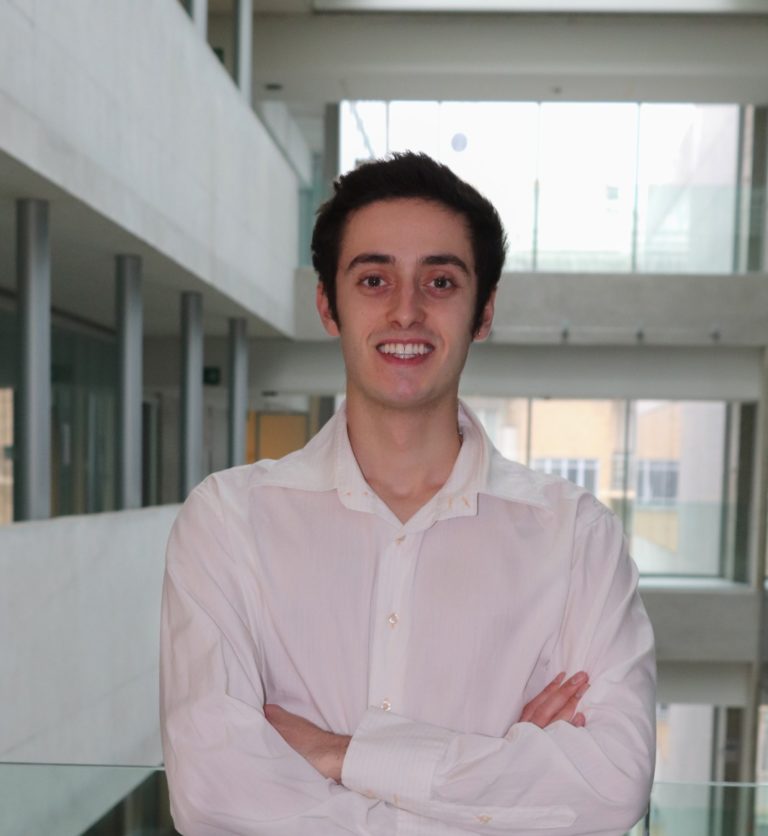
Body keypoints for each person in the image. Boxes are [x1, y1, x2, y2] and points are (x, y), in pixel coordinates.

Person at [160, 152, 656, 836]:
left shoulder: (577, 537)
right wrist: (497, 780)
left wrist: (340, 754)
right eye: (374, 279)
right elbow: (211, 794)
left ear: (483, 311)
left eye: (440, 281)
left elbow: (614, 785)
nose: (406, 311)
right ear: (328, 305)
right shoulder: (226, 521)